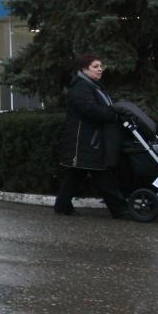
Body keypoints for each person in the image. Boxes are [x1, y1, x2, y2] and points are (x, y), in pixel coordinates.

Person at [54, 54, 127, 217]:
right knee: (101, 173)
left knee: (76, 174)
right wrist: (113, 115)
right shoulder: (82, 87)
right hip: (84, 140)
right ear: (84, 69)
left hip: (89, 139)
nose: (100, 69)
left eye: (101, 66)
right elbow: (90, 110)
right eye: (95, 66)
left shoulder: (94, 86)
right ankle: (120, 210)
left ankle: (62, 206)